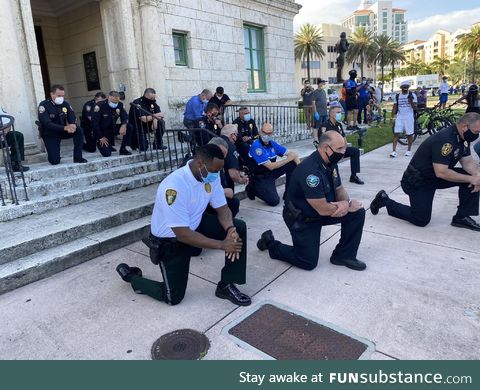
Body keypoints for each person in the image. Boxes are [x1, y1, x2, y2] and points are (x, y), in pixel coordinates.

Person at [116, 144, 251, 306]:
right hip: (172, 239)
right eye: (215, 171)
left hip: (195, 225)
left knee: (239, 227)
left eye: (219, 171)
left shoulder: (210, 175)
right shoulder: (174, 186)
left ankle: (227, 284)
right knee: (172, 298)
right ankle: (131, 277)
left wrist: (230, 230)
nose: (217, 176)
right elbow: (182, 233)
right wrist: (223, 244)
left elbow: (223, 209)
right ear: (200, 163)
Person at [257, 131, 366, 271]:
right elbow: (323, 209)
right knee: (307, 262)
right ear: (326, 148)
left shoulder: (331, 162)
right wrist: (347, 205)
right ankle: (271, 244)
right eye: (340, 149)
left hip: (322, 211)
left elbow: (339, 189)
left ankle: (343, 255)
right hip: (302, 218)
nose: (343, 152)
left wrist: (346, 203)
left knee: (357, 212)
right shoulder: (310, 172)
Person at [370, 113, 480, 231]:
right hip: (419, 181)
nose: (477, 135)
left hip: (435, 176)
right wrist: (470, 179)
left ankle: (461, 217)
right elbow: (441, 172)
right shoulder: (446, 139)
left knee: (473, 176)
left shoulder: (463, 138)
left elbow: (468, 162)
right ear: (464, 127)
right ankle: (384, 200)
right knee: (421, 219)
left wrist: (477, 176)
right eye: (476, 131)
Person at [246, 123, 300, 206]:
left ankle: (289, 194)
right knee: (274, 201)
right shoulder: (257, 146)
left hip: (271, 173)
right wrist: (289, 158)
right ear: (260, 132)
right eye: (265, 133)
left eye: (269, 133)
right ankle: (253, 189)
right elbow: (270, 166)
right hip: (260, 177)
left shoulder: (272, 143)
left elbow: (292, 154)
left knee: (292, 163)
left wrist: (301, 169)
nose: (267, 135)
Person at [37, 84, 87, 165]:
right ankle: (55, 153)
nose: (61, 98)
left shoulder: (65, 104)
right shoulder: (44, 105)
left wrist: (73, 124)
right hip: (50, 133)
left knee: (79, 130)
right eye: (59, 95)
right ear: (52, 94)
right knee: (54, 161)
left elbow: (72, 115)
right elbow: (47, 123)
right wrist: (65, 128)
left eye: (62, 95)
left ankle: (78, 157)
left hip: (63, 131)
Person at [322, 102, 364, 184]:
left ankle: (353, 176)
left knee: (355, 151)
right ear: (331, 113)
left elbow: (344, 138)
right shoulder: (325, 125)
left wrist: (344, 149)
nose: (340, 114)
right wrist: (337, 151)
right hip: (331, 152)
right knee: (333, 160)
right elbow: (324, 143)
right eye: (338, 112)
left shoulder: (338, 125)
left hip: (340, 149)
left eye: (340, 113)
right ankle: (333, 178)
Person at [208, 137, 241, 217]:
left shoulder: (217, 166)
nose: (222, 158)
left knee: (234, 203)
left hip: (213, 200)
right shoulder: (197, 164)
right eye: (221, 154)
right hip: (199, 205)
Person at [91, 91, 132, 157]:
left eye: (116, 101)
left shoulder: (120, 105)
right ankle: (99, 142)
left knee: (129, 126)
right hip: (102, 131)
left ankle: (123, 149)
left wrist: (124, 125)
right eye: (113, 101)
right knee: (107, 154)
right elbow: (94, 123)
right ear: (109, 98)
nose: (115, 103)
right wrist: (100, 137)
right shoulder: (100, 105)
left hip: (113, 128)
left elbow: (125, 116)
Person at [391, 80, 417, 158]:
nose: (405, 88)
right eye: (404, 87)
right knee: (396, 133)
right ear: (401, 87)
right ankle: (394, 151)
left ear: (408, 87)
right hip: (400, 116)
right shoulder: (397, 96)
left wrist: (411, 101)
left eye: (406, 87)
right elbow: (395, 107)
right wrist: (392, 117)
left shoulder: (413, 95)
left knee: (409, 134)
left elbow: (415, 108)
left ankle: (409, 150)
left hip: (409, 117)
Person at [219, 124, 249, 190]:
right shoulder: (229, 146)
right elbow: (233, 175)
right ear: (232, 135)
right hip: (222, 185)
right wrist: (241, 180)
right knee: (233, 199)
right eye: (236, 135)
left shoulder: (213, 141)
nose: (236, 138)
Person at [311, 79, 328, 144]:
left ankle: (322, 138)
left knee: (324, 126)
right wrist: (315, 112)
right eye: (323, 83)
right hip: (318, 112)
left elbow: (324, 101)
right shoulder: (315, 92)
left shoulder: (323, 91)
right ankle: (316, 139)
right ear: (319, 83)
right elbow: (313, 103)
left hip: (324, 112)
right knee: (316, 126)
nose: (324, 84)